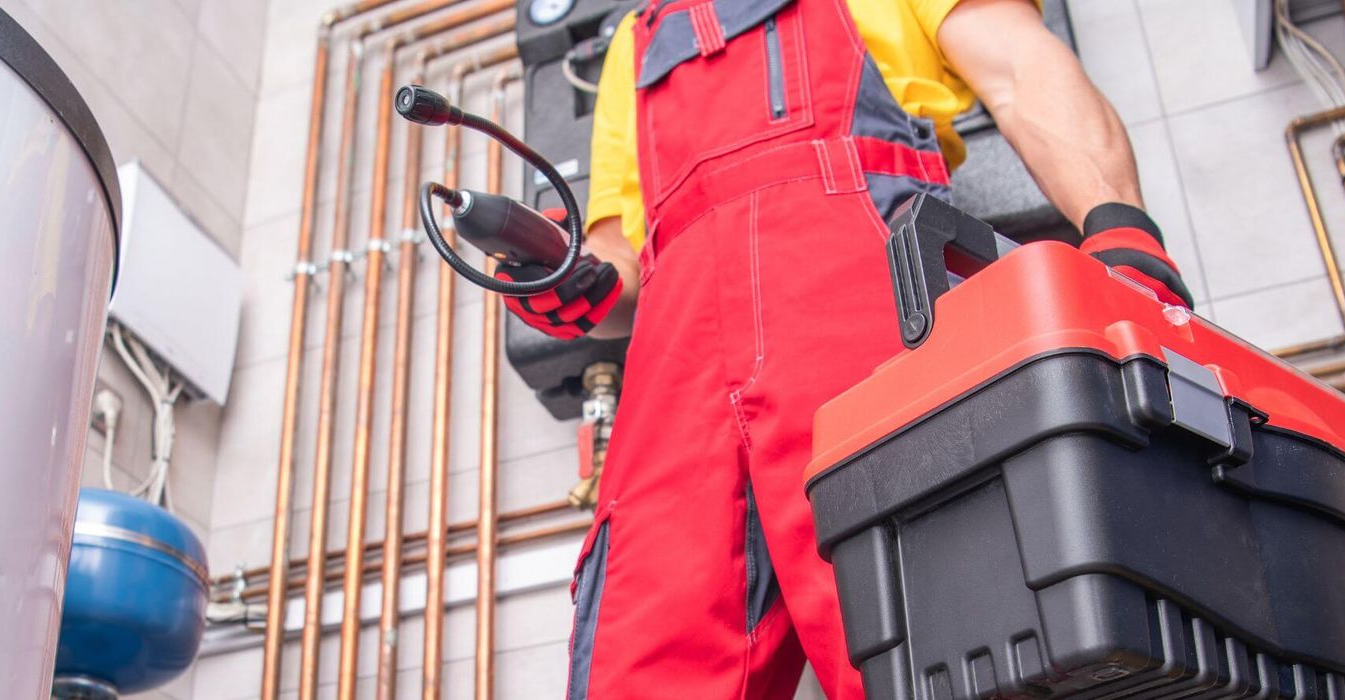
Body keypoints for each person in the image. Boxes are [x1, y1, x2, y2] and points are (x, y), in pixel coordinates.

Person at [499, 0, 1194, 697]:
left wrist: (1118, 227)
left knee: (941, 641)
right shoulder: (635, 39)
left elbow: (1019, 67)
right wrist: (570, 281)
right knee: (640, 655)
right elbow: (621, 260)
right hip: (676, 356)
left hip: (861, 300)